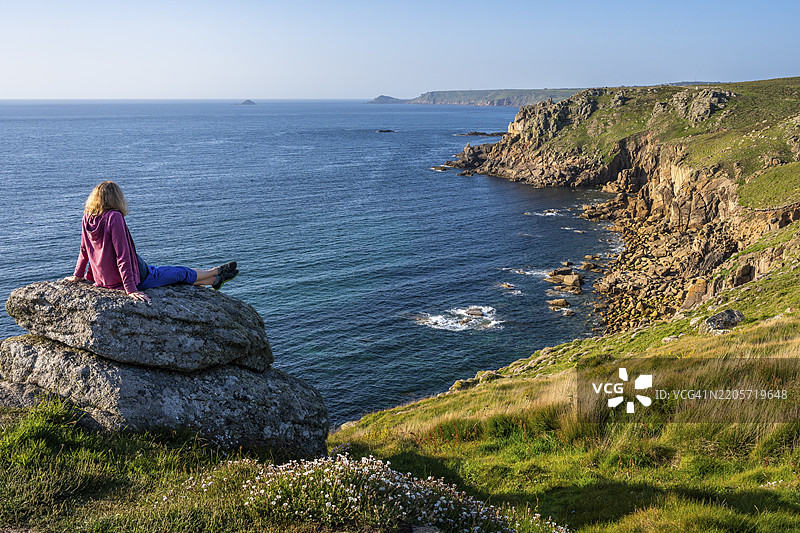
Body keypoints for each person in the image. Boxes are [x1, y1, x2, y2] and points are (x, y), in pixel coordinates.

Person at [65, 181, 238, 303]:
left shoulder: (88, 216)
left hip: (104, 277)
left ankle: (214, 280)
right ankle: (214, 271)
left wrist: (78, 275)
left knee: (171, 275)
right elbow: (122, 254)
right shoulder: (114, 217)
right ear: (116, 198)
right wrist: (131, 289)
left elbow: (84, 250)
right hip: (132, 275)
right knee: (178, 273)